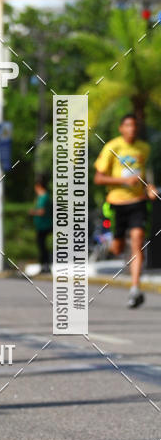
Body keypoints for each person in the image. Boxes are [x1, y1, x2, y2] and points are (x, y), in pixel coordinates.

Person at [94, 114, 157, 308]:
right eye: (128, 125)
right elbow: (99, 178)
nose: (132, 129)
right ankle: (115, 245)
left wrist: (150, 187)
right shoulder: (112, 147)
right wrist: (123, 181)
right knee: (118, 248)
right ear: (121, 128)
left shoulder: (144, 148)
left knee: (138, 240)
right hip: (116, 203)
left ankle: (135, 288)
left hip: (137, 202)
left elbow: (146, 175)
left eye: (135, 125)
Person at [29, 175, 53, 272]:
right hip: (41, 225)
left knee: (42, 246)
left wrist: (33, 212)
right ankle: (44, 265)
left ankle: (45, 265)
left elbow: (42, 211)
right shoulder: (41, 197)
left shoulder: (44, 197)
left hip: (45, 225)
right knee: (41, 245)